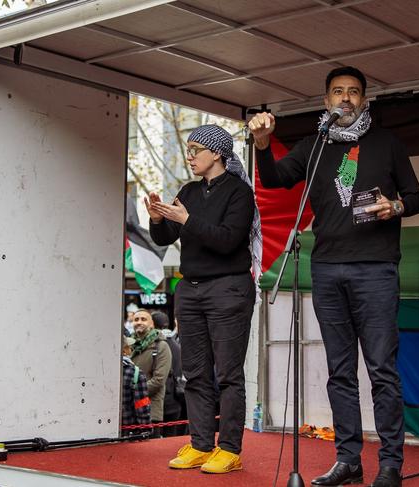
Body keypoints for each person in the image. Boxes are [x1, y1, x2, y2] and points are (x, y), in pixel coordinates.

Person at [248, 66, 419, 487]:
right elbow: (273, 180)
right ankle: (348, 460)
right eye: (337, 92)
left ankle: (389, 465)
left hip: (376, 268)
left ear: (364, 100)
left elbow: (417, 197)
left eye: (353, 92)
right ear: (326, 101)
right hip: (326, 268)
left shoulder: (388, 144)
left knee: (381, 368)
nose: (345, 98)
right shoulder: (315, 145)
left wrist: (395, 207)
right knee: (339, 371)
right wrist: (261, 143)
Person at [146, 124, 259, 474]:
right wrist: (156, 221)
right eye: (188, 149)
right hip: (190, 289)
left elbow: (227, 241)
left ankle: (228, 449)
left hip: (228, 288)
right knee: (194, 373)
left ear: (217, 153)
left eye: (196, 149)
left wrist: (187, 219)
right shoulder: (189, 191)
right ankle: (199, 444)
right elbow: (169, 236)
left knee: (227, 373)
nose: (190, 155)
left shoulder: (240, 192)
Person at [131, 308, 172, 438]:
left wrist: (133, 393)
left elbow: (159, 380)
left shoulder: (161, 346)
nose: (139, 322)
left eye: (143, 319)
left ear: (152, 324)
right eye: (136, 319)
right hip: (130, 412)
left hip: (150, 412)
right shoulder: (129, 345)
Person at [152, 310, 186, 437]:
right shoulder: (176, 345)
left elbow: (159, 378)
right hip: (176, 400)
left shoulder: (158, 345)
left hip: (160, 401)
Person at [121, 335, 151, 435]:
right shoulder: (135, 373)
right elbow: (142, 404)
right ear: (124, 351)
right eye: (129, 347)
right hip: (128, 431)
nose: (131, 350)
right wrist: (146, 429)